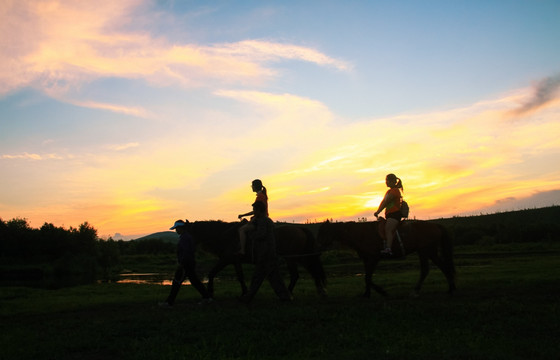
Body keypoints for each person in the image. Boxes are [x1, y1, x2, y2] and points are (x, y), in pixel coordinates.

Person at [239, 201, 292, 303]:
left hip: (266, 254)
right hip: (267, 254)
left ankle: (285, 298)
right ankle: (249, 297)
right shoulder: (266, 220)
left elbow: (261, 235)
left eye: (255, 210)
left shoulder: (263, 221)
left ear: (259, 210)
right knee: (265, 278)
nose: (254, 212)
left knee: (269, 278)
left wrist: (250, 234)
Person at [160, 219, 212, 308]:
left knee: (176, 282)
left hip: (185, 263)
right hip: (189, 262)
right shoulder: (187, 237)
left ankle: (169, 303)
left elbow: (186, 251)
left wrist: (182, 263)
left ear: (181, 228)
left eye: (177, 228)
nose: (176, 230)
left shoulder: (184, 238)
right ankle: (207, 298)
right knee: (195, 281)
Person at [373, 173, 404, 256]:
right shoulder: (389, 191)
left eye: (387, 180)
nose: (386, 182)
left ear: (392, 181)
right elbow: (383, 201)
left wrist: (378, 211)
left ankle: (388, 249)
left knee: (388, 229)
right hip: (390, 214)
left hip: (395, 214)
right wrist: (378, 210)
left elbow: (386, 202)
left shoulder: (394, 191)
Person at [237, 179, 269, 255]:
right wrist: (243, 215)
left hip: (260, 219)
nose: (252, 187)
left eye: (252, 186)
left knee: (241, 230)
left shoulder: (260, 197)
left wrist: (245, 216)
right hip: (262, 218)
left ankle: (242, 250)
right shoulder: (261, 195)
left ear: (255, 186)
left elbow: (256, 211)